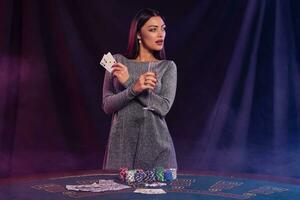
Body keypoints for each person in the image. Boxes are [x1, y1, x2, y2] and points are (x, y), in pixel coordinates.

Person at [102, 8, 177, 170]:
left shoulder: (167, 66)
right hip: (120, 147)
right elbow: (107, 106)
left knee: (155, 195)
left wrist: (129, 82)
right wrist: (135, 88)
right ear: (138, 34)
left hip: (157, 147)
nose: (160, 34)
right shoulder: (116, 61)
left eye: (163, 29)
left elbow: (163, 107)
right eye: (153, 29)